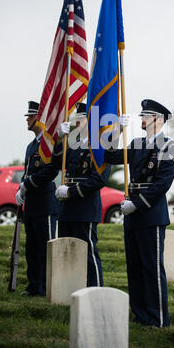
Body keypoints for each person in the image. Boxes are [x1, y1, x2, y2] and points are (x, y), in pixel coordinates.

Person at [104, 99, 174, 328]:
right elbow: (109, 155)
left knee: (151, 267)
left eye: (146, 115)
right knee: (134, 266)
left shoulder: (169, 146)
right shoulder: (136, 143)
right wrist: (116, 130)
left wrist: (137, 204)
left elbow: (162, 184)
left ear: (158, 119)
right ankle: (140, 315)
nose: (141, 119)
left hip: (150, 213)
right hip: (132, 213)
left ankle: (157, 318)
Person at [51, 102, 111, 287]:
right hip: (67, 209)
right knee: (68, 252)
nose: (77, 123)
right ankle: (71, 290)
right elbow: (56, 164)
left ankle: (95, 289)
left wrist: (70, 191)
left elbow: (99, 179)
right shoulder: (75, 145)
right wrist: (59, 141)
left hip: (85, 207)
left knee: (88, 253)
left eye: (81, 119)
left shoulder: (99, 146)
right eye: (76, 120)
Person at [16, 101, 58, 296]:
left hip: (45, 203)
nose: (27, 119)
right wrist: (21, 188)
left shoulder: (48, 144)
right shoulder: (31, 146)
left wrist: (28, 184)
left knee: (44, 248)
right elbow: (27, 172)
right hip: (31, 204)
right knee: (31, 248)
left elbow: (49, 171)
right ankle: (33, 286)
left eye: (31, 116)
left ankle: (45, 286)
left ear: (40, 119)